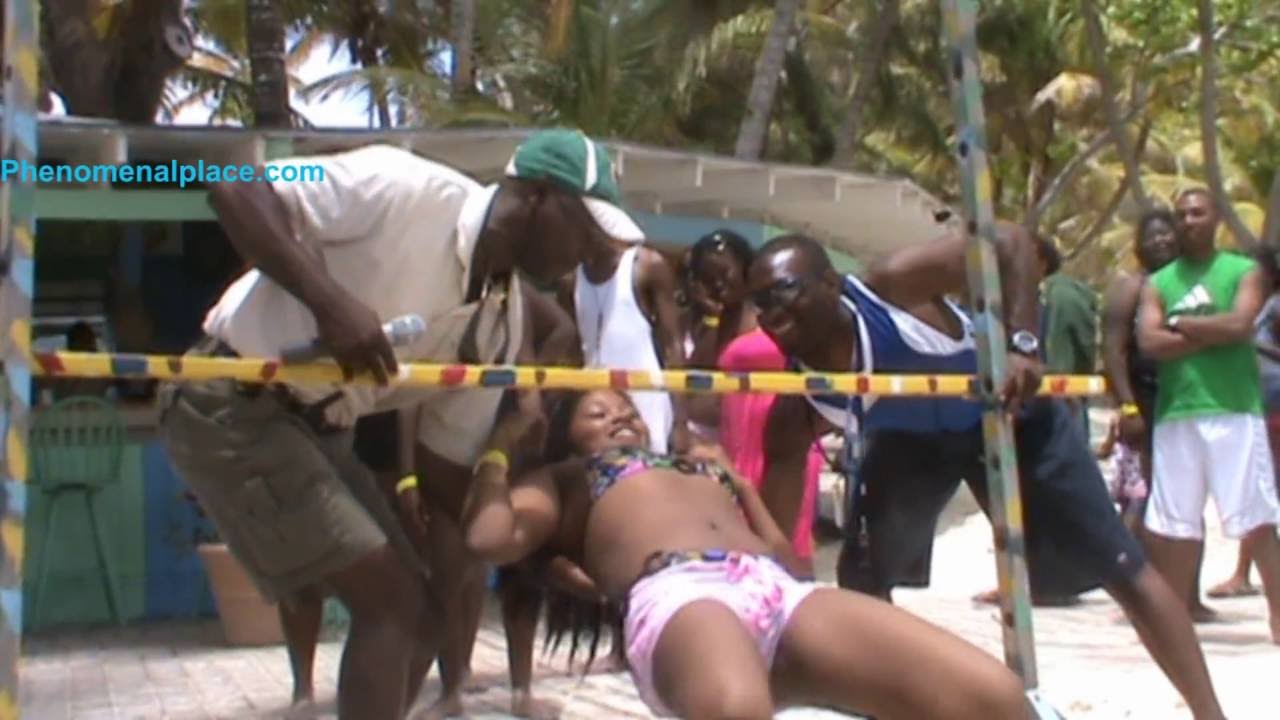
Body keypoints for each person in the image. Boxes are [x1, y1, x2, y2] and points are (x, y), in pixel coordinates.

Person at [157, 127, 638, 720]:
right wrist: (329, 303)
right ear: (537, 196)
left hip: (320, 429)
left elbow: (443, 476)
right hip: (233, 404)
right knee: (390, 606)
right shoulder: (402, 184)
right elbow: (235, 186)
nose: (588, 255)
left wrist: (536, 555)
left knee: (428, 618)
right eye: (584, 232)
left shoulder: (500, 326)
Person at [749, 229, 1227, 719]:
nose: (771, 312)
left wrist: (1022, 344)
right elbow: (768, 558)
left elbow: (1011, 241)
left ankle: (1210, 713)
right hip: (915, 441)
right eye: (759, 302)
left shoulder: (889, 287)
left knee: (1122, 567)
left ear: (831, 283)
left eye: (784, 290)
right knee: (860, 581)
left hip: (1009, 413)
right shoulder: (796, 407)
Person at [461, 388, 1029, 719]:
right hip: (681, 592)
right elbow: (489, 538)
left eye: (626, 407)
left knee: (993, 698)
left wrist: (737, 481)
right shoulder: (567, 478)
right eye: (598, 412)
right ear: (568, 435)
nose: (621, 416)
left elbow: (790, 561)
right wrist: (499, 451)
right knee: (735, 712)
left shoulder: (698, 466)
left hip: (775, 589)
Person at [1136, 187, 1280, 644]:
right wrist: (1210, 333)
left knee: (1255, 518)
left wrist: (1180, 325)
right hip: (1177, 413)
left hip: (1233, 410)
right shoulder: (1158, 282)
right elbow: (1149, 343)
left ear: (1216, 218)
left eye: (1197, 213)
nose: (1188, 221)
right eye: (1181, 214)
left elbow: (1240, 325)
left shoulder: (1243, 271)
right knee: (1176, 524)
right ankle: (1177, 621)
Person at [562, 221, 688, 454]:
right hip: (599, 408)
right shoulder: (571, 280)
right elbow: (573, 348)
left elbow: (672, 345)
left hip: (647, 398)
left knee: (651, 467)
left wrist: (680, 422)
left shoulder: (646, 265)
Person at [718, 328, 824, 578]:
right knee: (747, 536)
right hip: (740, 431)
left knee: (786, 544)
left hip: (782, 428)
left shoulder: (806, 317)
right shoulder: (738, 311)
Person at [1208, 247, 1280, 599]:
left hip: (1274, 407)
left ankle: (1244, 575)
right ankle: (1244, 573)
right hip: (1255, 404)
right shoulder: (1251, 308)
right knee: (1258, 493)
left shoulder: (1274, 307)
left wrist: (1249, 342)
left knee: (1261, 493)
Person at [682, 229, 760, 444]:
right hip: (721, 435)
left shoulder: (766, 318)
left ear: (745, 268)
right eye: (708, 278)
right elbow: (690, 376)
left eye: (724, 273)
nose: (717, 283)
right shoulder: (719, 321)